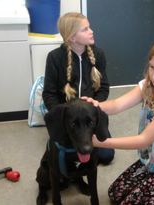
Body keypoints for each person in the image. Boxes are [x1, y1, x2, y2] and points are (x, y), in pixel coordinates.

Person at [82, 34, 154, 205]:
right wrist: (95, 106)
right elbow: (117, 105)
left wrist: (99, 142)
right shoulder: (150, 85)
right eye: (152, 67)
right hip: (152, 158)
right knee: (114, 194)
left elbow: (143, 140)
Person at [37, 12, 114, 192]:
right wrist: (62, 117)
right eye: (85, 29)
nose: (92, 31)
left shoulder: (99, 54)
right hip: (68, 119)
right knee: (63, 154)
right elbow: (49, 94)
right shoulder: (55, 58)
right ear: (72, 36)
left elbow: (103, 88)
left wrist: (94, 107)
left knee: (106, 154)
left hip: (89, 117)